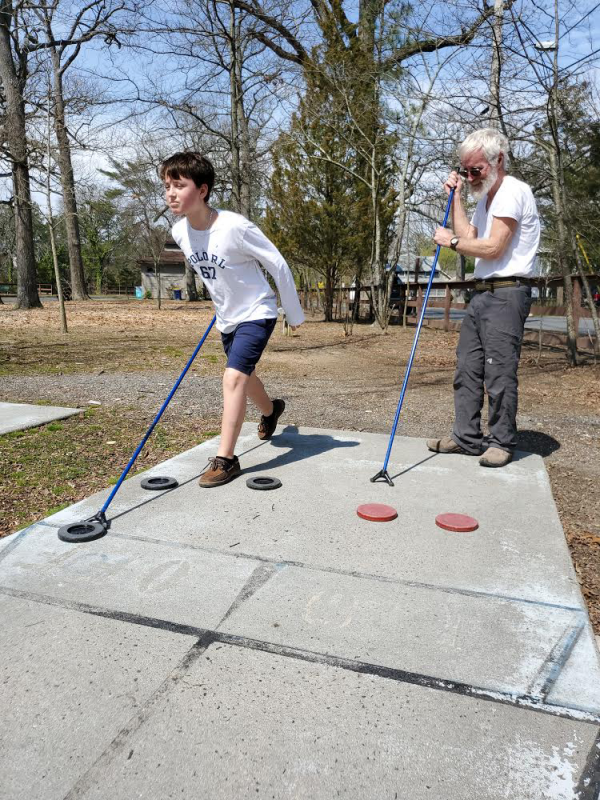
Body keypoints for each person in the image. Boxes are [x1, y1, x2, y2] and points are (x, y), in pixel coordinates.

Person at [160, 152, 305, 487]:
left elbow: (277, 264)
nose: (170, 193)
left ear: (203, 189)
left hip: (257, 312)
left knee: (233, 378)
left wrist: (293, 312)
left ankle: (226, 460)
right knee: (246, 377)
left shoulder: (235, 227)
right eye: (167, 185)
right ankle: (271, 412)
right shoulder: (180, 232)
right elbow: (216, 273)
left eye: (179, 185)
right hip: (227, 318)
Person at [427, 128, 540, 468]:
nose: (470, 175)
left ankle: (502, 441)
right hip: (482, 292)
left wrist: (451, 243)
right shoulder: (487, 198)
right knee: (468, 368)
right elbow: (469, 235)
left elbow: (492, 248)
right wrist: (457, 195)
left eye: (475, 170)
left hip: (508, 292)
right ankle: (466, 437)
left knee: (499, 372)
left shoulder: (513, 192)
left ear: (498, 160)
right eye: (465, 170)